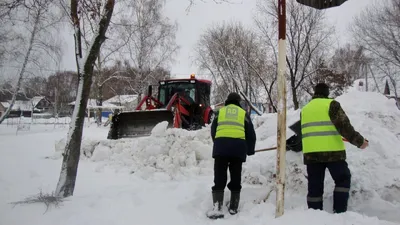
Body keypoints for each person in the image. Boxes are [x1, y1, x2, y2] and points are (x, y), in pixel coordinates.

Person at [300, 83, 369, 213]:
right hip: (333, 153)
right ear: (327, 93)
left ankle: (314, 216)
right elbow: (345, 127)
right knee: (343, 179)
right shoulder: (332, 104)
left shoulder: (305, 109)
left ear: (315, 93)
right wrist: (360, 142)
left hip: (311, 154)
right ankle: (340, 212)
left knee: (314, 187)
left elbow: (305, 130)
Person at [207, 92, 257, 219]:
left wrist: (218, 143)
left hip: (221, 147)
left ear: (227, 101)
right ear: (238, 102)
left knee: (219, 175)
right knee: (236, 175)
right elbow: (250, 133)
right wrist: (249, 150)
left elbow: (213, 130)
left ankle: (217, 207)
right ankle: (234, 207)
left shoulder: (220, 112)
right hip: (237, 148)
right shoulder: (243, 113)